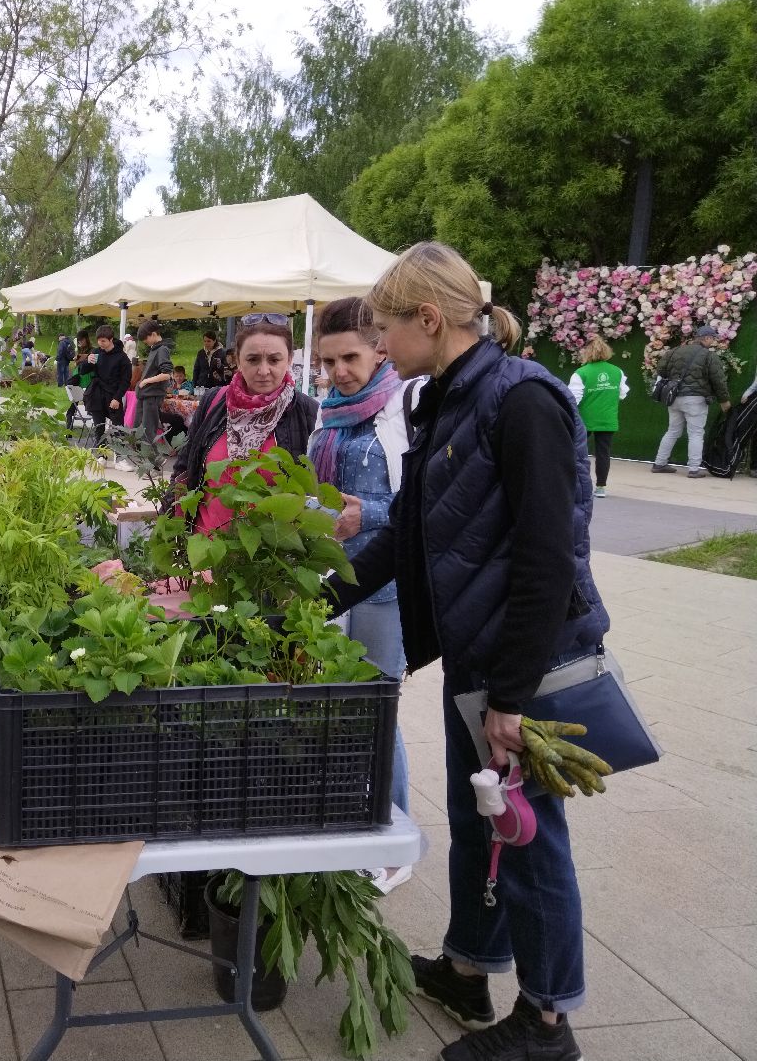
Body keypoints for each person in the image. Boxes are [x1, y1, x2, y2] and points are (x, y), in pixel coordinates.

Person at [327, 242, 607, 1061]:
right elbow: (409, 533)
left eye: (383, 331)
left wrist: (512, 700)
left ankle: (547, 1023)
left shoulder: (523, 401)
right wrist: (319, 601)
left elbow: (549, 560)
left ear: (429, 319)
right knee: (480, 824)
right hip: (476, 657)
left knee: (528, 835)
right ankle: (467, 965)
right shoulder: (443, 398)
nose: (378, 348)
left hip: (526, 662)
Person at [310, 297, 421, 895]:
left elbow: (422, 506)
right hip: (332, 582)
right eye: (327, 362)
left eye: (349, 357)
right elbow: (321, 493)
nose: (338, 373)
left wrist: (366, 514)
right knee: (340, 704)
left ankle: (392, 835)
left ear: (380, 347)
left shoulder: (403, 407)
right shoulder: (330, 412)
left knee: (378, 708)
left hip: (385, 584)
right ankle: (350, 817)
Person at [171, 313, 319, 535]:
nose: (263, 371)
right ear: (238, 360)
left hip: (268, 562)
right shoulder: (214, 402)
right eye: (252, 359)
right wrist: (173, 528)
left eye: (274, 360)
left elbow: (313, 495)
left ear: (289, 360)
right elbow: (185, 468)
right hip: (204, 554)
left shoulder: (307, 413)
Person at [652, 324, 731, 477]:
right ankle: (694, 469)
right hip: (695, 399)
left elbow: (661, 370)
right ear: (706, 338)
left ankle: (659, 463)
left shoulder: (674, 351)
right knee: (695, 433)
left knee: (673, 431)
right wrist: (724, 400)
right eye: (713, 338)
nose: (713, 342)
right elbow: (718, 380)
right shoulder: (709, 356)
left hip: (674, 397)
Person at [566, 337, 629, 497]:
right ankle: (601, 487)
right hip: (607, 419)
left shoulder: (581, 373)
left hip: (584, 420)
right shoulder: (617, 371)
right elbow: (622, 394)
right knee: (603, 453)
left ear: (587, 353)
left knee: (577, 452)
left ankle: (575, 484)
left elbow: (573, 399)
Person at [83, 324, 130, 446]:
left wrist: (117, 397)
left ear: (111, 339)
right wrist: (87, 361)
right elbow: (83, 371)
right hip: (97, 394)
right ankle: (100, 456)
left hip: (113, 395)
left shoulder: (122, 357)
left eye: (103, 341)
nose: (100, 343)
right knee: (99, 428)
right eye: (98, 340)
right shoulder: (96, 352)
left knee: (118, 429)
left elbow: (125, 381)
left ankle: (120, 458)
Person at [135, 319, 174, 444]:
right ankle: (143, 459)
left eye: (145, 338)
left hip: (152, 395)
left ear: (153, 334)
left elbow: (167, 374)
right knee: (140, 429)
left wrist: (146, 381)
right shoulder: (154, 349)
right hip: (145, 394)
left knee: (148, 431)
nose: (144, 341)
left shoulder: (162, 349)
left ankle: (153, 461)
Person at [64, 331, 94, 430]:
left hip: (88, 379)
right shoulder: (79, 350)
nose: (80, 342)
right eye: (78, 341)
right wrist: (77, 360)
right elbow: (77, 365)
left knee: (87, 402)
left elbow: (92, 364)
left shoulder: (93, 350)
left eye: (81, 340)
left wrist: (83, 359)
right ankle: (69, 427)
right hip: (78, 379)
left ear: (86, 339)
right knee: (74, 403)